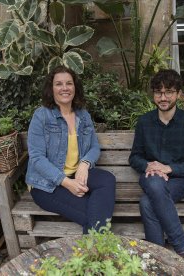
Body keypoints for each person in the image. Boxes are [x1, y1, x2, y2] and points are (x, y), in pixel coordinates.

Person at [129, 69, 184, 271]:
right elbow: (134, 156)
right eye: (158, 92)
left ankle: (156, 258)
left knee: (147, 202)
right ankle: (182, 248)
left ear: (178, 94)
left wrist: (169, 168)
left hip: (179, 179)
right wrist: (149, 165)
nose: (163, 97)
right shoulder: (145, 122)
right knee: (155, 182)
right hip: (150, 176)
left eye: (169, 92)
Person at [26, 66, 116, 233]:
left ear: (75, 87)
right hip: (47, 185)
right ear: (51, 89)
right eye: (59, 84)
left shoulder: (83, 115)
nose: (65, 88)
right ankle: (97, 253)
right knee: (94, 213)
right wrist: (67, 183)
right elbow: (37, 158)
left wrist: (84, 163)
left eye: (69, 83)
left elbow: (94, 146)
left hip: (76, 174)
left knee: (107, 180)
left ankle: (92, 253)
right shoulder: (42, 116)